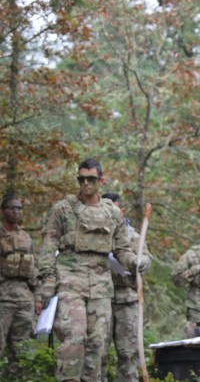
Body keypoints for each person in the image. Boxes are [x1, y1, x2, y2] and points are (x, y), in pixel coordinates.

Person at [35, 158, 148, 382]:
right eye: (81, 179)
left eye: (91, 179)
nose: (86, 183)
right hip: (69, 284)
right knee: (74, 338)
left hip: (100, 288)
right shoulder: (63, 210)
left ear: (101, 180)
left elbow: (122, 249)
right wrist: (46, 284)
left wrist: (135, 262)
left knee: (97, 344)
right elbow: (47, 248)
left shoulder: (112, 214)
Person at [100, 192, 151, 382]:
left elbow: (145, 257)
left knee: (128, 352)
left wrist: (140, 263)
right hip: (101, 298)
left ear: (121, 210)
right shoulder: (97, 235)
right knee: (98, 352)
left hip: (127, 300)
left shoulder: (133, 237)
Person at [0, 195, 38, 376]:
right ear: (3, 211)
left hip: (24, 299)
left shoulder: (26, 237)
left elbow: (33, 268)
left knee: (22, 351)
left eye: (19, 208)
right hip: (2, 299)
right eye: (12, 208)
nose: (16, 212)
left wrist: (38, 296)